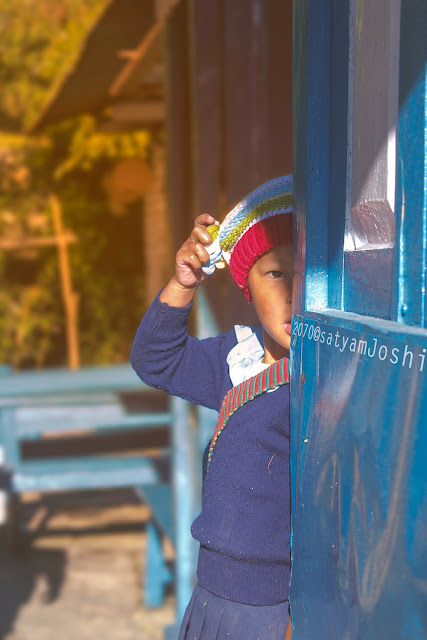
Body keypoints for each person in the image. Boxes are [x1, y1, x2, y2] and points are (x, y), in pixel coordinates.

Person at [130, 175, 293, 640]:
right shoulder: (234, 359)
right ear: (247, 285)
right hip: (212, 598)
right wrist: (184, 283)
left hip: (272, 610)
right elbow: (155, 361)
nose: (295, 294)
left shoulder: (322, 382)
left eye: (313, 275)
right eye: (277, 273)